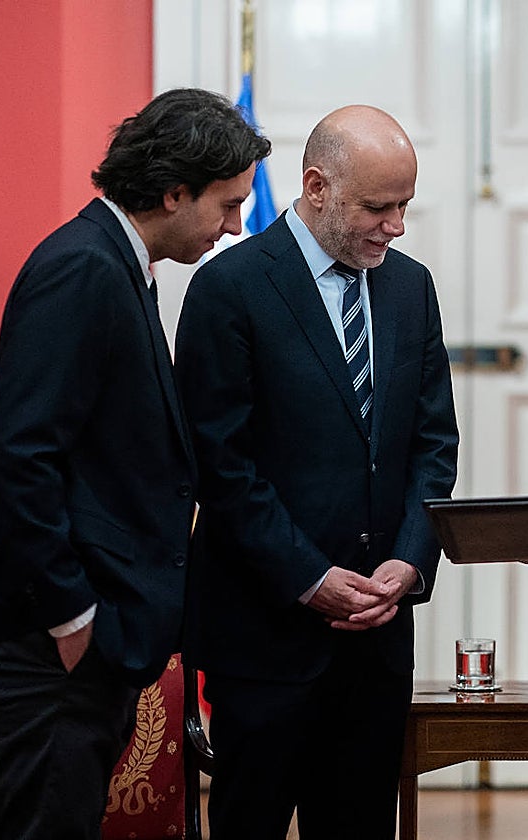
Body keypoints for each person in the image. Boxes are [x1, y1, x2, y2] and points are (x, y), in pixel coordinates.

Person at [0, 88, 271, 840]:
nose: (234, 227)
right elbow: (21, 454)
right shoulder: (83, 269)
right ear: (172, 191)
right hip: (46, 646)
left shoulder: (120, 265)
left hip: (77, 643)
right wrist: (73, 619)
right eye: (227, 205)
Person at [174, 104, 459, 840]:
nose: (396, 225)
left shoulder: (411, 287)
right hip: (266, 638)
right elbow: (223, 468)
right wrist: (311, 578)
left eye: (405, 206)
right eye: (378, 206)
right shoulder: (228, 288)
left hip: (377, 639)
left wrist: (409, 560)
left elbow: (433, 444)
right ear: (316, 186)